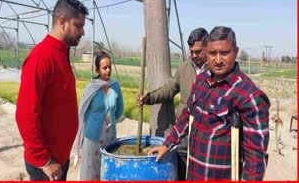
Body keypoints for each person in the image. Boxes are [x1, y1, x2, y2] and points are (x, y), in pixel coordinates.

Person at [148, 26, 270, 181]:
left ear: (236, 51)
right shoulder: (201, 81)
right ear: (206, 53)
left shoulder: (249, 95)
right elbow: (187, 115)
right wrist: (167, 144)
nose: (218, 60)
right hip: (194, 175)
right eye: (212, 53)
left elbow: (256, 159)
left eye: (224, 53)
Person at [15, 0, 88, 181]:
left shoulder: (61, 53)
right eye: (78, 25)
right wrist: (44, 161)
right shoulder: (41, 58)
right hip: (46, 166)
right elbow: (25, 115)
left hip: (59, 159)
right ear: (62, 22)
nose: (83, 32)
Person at [136, 28, 208, 180]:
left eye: (198, 51)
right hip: (184, 132)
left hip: (206, 134)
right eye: (192, 52)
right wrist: (149, 98)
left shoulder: (215, 70)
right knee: (181, 169)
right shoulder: (185, 67)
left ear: (208, 47)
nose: (194, 56)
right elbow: (169, 89)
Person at [74, 51, 124, 180]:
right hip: (93, 139)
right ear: (97, 69)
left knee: (107, 170)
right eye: (104, 68)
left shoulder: (115, 86)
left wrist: (111, 119)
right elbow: (83, 111)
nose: (108, 70)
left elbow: (120, 109)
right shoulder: (91, 88)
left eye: (109, 67)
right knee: (92, 172)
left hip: (110, 137)